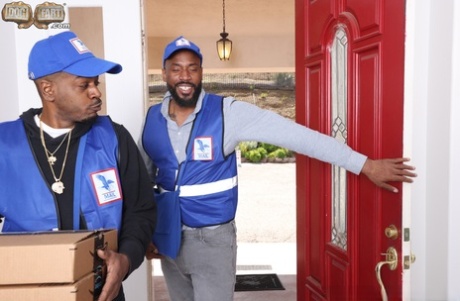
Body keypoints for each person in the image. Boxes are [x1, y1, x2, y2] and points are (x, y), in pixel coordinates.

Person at [140, 36, 417, 301]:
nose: (185, 76)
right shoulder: (152, 118)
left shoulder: (228, 113)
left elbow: (298, 136)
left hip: (212, 240)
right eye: (176, 69)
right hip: (169, 237)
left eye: (192, 68)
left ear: (202, 73)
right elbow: (143, 183)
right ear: (164, 74)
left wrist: (365, 165)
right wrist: (148, 233)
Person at [0, 31, 156, 301]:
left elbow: (140, 211)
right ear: (48, 89)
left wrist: (126, 259)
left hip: (101, 292)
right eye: (84, 85)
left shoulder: (114, 138)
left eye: (96, 83)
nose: (96, 93)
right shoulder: (5, 144)